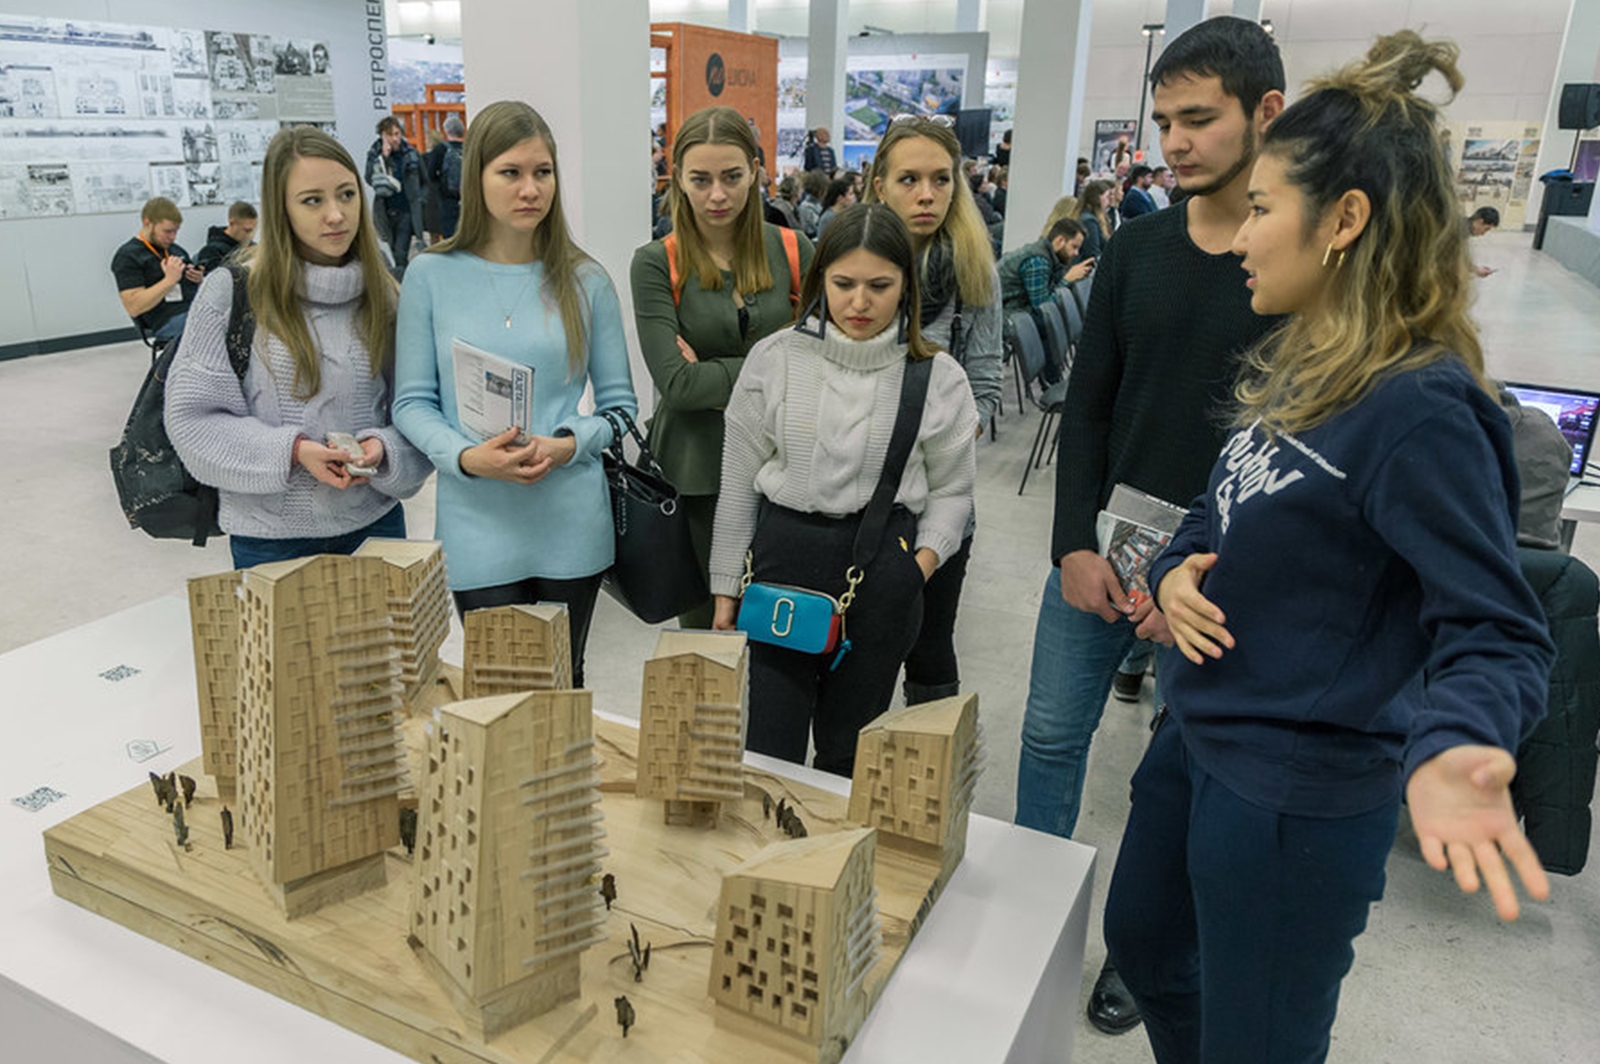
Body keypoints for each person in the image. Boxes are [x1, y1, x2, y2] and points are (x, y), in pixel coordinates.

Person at [1105, 32, 1554, 1064]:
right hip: (1196, 735)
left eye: (1262, 209)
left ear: (1344, 219)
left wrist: (1456, 745)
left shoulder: (1423, 410)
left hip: (1291, 793)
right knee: (1146, 947)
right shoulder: (1304, 358)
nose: (1240, 237)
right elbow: (1217, 505)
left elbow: (1498, 631)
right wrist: (1173, 569)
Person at [1012, 16, 1289, 1037]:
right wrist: (1071, 545)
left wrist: (1212, 579)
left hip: (1217, 574)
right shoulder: (1135, 249)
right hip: (1109, 546)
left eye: (1198, 119)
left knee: (1178, 771)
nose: (1174, 141)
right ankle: (1032, 917)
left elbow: (1295, 452)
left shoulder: (1298, 265)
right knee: (1051, 735)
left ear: (1265, 113)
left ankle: (1144, 947)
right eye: (1164, 120)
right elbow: (1087, 407)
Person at [708, 202, 978, 775]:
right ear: (819, 281)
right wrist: (725, 590)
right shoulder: (775, 359)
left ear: (906, 287)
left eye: (879, 286)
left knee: (850, 756)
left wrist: (916, 570)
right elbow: (736, 484)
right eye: (843, 284)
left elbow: (954, 492)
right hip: (783, 562)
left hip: (882, 569)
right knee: (769, 752)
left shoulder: (940, 378)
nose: (860, 303)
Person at [393, 101, 636, 687]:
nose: (531, 189)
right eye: (511, 172)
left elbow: (620, 409)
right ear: (476, 177)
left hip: (570, 518)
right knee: (498, 690)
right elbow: (411, 402)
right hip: (477, 520)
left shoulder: (587, 280)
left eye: (542, 172)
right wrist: (465, 457)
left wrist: (568, 444)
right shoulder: (431, 275)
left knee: (562, 683)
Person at [165, 127, 430, 570]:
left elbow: (418, 410)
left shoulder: (385, 295)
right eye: (312, 200)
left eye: (347, 195)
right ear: (281, 208)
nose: (336, 215)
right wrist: (294, 451)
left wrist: (383, 448)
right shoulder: (232, 292)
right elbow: (193, 422)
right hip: (270, 539)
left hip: (376, 526)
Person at [629, 106, 815, 628]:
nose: (717, 195)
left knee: (784, 628)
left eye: (732, 177)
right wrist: (775, 366)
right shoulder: (656, 262)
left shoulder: (794, 250)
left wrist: (717, 373)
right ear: (678, 178)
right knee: (706, 638)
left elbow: (819, 363)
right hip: (696, 472)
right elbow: (680, 385)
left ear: (755, 171)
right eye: (701, 180)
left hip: (786, 463)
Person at [865, 114, 1002, 706]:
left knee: (930, 647)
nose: (927, 194)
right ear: (880, 186)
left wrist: (936, 443)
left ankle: (930, 758)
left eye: (941, 179)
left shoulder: (974, 271)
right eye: (910, 179)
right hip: (853, 498)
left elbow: (985, 388)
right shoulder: (852, 264)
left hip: (939, 504)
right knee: (858, 653)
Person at [112, 196, 204, 345]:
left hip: (193, 309)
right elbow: (133, 307)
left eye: (176, 231)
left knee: (233, 317)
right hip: (166, 319)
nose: (172, 237)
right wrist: (169, 281)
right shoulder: (128, 256)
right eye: (167, 231)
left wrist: (198, 278)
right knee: (213, 326)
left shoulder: (175, 250)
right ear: (147, 223)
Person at [998, 217, 1094, 317]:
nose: (1076, 253)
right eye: (1074, 247)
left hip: (1015, 310)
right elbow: (1044, 310)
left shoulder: (1049, 256)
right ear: (1060, 241)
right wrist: (1067, 280)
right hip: (1006, 316)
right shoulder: (1038, 262)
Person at [366, 115, 424, 273]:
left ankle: (404, 281)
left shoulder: (411, 153)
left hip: (406, 209)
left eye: (397, 133)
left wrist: (421, 199)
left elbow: (425, 180)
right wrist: (384, 158)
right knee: (391, 250)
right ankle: (401, 278)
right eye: (390, 135)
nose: (395, 138)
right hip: (385, 211)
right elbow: (369, 178)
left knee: (400, 252)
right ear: (382, 136)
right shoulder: (375, 154)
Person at [427, 114, 466, 241]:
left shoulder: (440, 149)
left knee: (450, 234)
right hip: (468, 197)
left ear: (447, 131)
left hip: (448, 198)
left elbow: (430, 174)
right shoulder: (469, 148)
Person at [194, 201, 258, 273]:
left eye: (253, 230)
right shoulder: (211, 252)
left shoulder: (253, 247)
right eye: (247, 231)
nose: (251, 236)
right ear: (232, 224)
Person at [1075, 179, 1116, 264]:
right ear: (1098, 198)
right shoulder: (1089, 222)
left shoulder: (1093, 218)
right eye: (1107, 197)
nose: (1109, 201)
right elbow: (1092, 253)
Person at [1468, 204, 1499, 276]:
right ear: (1480, 221)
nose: (1483, 234)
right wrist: (1475, 270)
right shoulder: (1459, 230)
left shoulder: (1462, 225)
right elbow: (1452, 258)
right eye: (1486, 229)